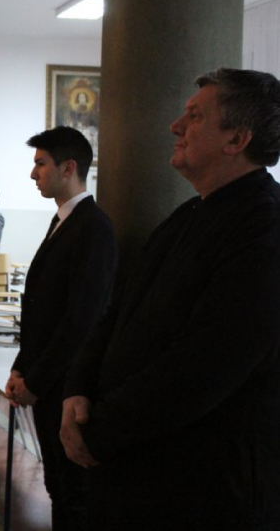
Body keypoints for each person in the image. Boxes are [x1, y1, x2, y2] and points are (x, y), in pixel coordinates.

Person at [60, 68, 280, 529]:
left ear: (237, 138)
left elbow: (206, 364)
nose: (175, 126)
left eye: (194, 116)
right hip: (136, 462)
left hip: (200, 482)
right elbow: (117, 312)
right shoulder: (188, 214)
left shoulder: (264, 226)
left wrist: (100, 432)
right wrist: (77, 387)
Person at [4, 127, 116, 531]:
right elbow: (42, 310)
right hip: (47, 380)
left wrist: (36, 379)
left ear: (68, 168)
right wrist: (21, 367)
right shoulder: (63, 221)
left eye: (40, 164)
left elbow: (81, 320)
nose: (33, 174)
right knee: (57, 485)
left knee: (73, 493)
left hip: (65, 385)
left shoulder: (92, 227)